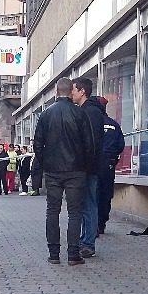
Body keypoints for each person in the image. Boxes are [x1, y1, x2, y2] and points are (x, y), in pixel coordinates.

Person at [34, 77, 95, 266]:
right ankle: (73, 254)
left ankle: (54, 254)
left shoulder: (45, 115)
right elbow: (89, 144)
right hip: (76, 171)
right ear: (71, 91)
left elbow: (38, 144)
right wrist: (85, 165)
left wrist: (45, 163)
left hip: (53, 171)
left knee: (52, 211)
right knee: (75, 212)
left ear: (56, 92)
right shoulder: (80, 113)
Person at [71, 77, 103, 258]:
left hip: (88, 167)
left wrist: (84, 165)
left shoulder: (90, 112)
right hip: (87, 166)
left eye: (74, 89)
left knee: (88, 204)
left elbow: (91, 143)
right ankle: (85, 239)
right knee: (84, 204)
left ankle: (88, 243)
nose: (71, 93)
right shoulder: (86, 110)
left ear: (82, 91)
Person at [94, 97, 125, 235]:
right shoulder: (114, 124)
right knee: (105, 194)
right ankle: (101, 223)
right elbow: (120, 145)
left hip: (94, 163)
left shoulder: (92, 123)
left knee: (93, 193)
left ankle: (93, 225)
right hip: (108, 164)